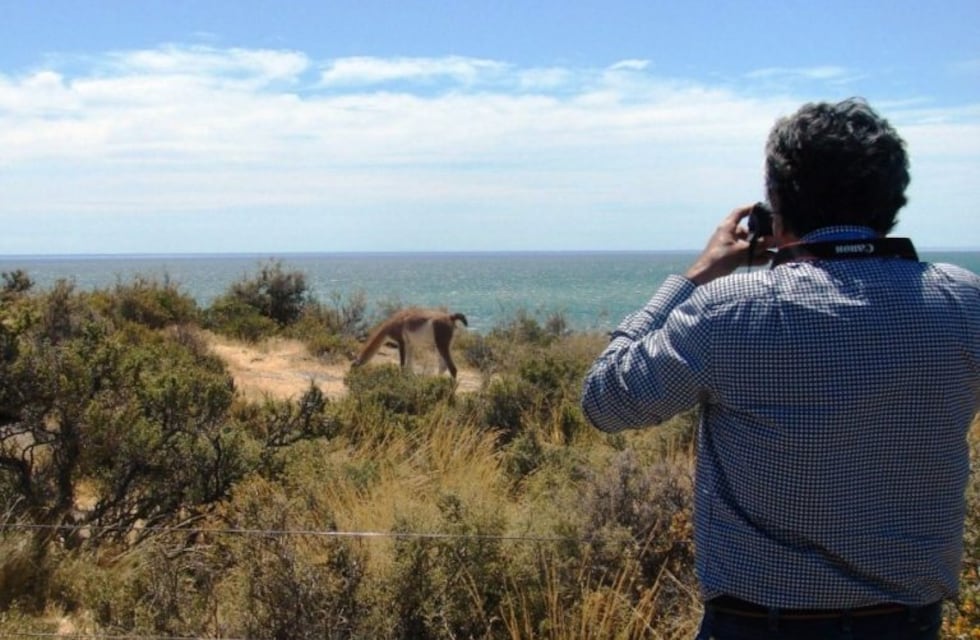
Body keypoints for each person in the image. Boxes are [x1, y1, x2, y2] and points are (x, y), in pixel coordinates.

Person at [580, 98, 980, 640]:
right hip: (909, 623)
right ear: (893, 201)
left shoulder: (727, 310)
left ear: (777, 206)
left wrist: (695, 276)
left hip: (757, 624)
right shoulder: (964, 302)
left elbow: (605, 401)